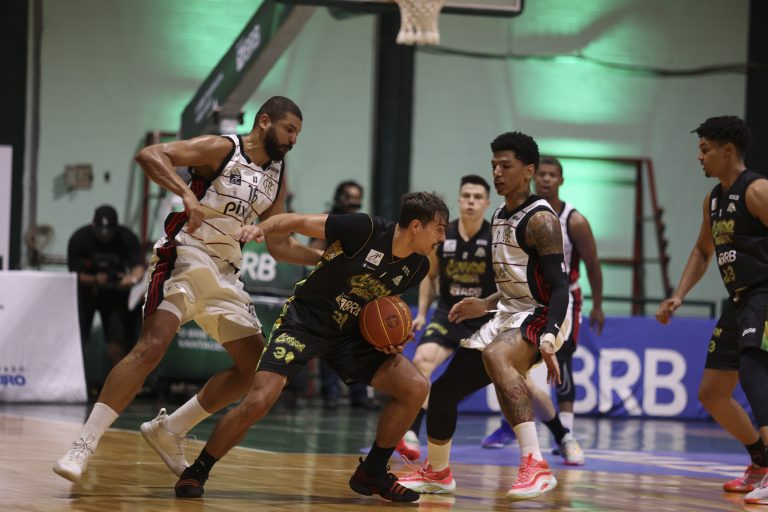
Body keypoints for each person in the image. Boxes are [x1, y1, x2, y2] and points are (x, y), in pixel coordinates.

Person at [53, 96, 322, 483]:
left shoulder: (277, 175)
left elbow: (279, 244)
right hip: (186, 255)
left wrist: (322, 258)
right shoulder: (222, 148)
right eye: (289, 130)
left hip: (226, 272)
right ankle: (83, 444)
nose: (294, 139)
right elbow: (150, 155)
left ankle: (171, 429)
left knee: (253, 370)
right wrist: (187, 194)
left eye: (298, 133)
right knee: (152, 347)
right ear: (265, 121)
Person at [172, 192, 448, 502]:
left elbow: (381, 308)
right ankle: (198, 470)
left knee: (415, 387)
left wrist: (391, 337)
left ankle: (371, 473)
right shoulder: (366, 229)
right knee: (259, 399)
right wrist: (262, 228)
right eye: (439, 229)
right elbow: (298, 221)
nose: (442, 237)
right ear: (416, 226)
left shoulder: (417, 267)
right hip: (304, 322)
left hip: (350, 335)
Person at [399, 131, 570, 501]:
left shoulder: (541, 219)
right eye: (494, 165)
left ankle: (536, 463)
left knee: (497, 355)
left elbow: (560, 286)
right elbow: (514, 284)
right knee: (443, 391)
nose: (497, 172)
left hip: (542, 313)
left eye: (505, 166)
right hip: (508, 311)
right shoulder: (499, 215)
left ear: (528, 171)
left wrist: (550, 335)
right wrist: (485, 304)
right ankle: (438, 472)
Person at [656, 116, 768, 505]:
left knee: (754, 370)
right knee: (712, 392)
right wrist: (679, 295)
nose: (699, 157)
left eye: (705, 150)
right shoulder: (714, 199)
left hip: (764, 293)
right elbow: (703, 251)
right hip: (739, 300)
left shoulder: (757, 190)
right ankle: (760, 462)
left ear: (728, 150)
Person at [481, 156, 603, 466]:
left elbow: (592, 264)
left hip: (562, 297)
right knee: (510, 368)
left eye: (552, 175)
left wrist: (599, 305)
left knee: (561, 360)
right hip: (521, 301)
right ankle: (512, 426)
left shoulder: (573, 220)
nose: (547, 179)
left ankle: (566, 434)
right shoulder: (512, 214)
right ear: (534, 177)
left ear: (561, 180)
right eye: (543, 174)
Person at [395, 174, 495, 460]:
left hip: (484, 317)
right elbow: (430, 276)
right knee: (422, 361)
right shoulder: (443, 234)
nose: (471, 202)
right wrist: (422, 313)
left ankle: (561, 434)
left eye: (477, 197)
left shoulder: (493, 238)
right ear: (460, 199)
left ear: (486, 203)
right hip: (449, 312)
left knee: (519, 386)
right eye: (467, 196)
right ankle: (411, 432)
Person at [305, 180, 379, 410]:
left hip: (353, 290)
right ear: (339, 198)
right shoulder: (327, 219)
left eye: (357, 199)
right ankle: (331, 394)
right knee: (328, 341)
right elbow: (313, 249)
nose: (353, 203)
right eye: (349, 198)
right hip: (327, 290)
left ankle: (359, 395)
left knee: (357, 342)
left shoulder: (362, 223)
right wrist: (334, 261)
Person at [68, 205, 145, 368]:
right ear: (93, 225)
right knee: (79, 339)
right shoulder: (79, 238)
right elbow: (74, 274)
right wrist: (94, 279)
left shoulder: (127, 238)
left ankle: (118, 380)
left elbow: (138, 266)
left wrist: (130, 280)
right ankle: (77, 377)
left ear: (116, 228)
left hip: (115, 295)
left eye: (109, 232)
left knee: (116, 344)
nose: (105, 236)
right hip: (87, 293)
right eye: (101, 232)